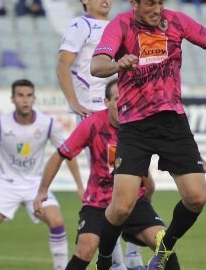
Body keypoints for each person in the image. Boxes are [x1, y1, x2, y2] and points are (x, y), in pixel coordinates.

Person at [90, 0, 206, 270]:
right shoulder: (121, 25)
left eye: (161, 2)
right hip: (135, 126)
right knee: (121, 207)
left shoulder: (176, 21)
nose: (157, 10)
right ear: (134, 4)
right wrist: (118, 63)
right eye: (150, 4)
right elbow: (96, 65)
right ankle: (104, 260)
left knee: (196, 198)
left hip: (172, 121)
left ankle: (163, 250)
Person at [34, 80, 195, 270]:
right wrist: (42, 191)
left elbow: (171, 148)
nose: (122, 103)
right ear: (106, 102)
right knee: (85, 250)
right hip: (98, 202)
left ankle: (133, 246)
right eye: (117, 98)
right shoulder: (92, 124)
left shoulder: (140, 122)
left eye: (126, 97)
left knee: (164, 245)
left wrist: (197, 164)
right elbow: (61, 154)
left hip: (133, 201)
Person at [57, 0, 146, 270]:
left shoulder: (116, 26)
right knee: (110, 190)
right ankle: (120, 261)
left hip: (121, 114)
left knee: (140, 183)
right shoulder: (80, 25)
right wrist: (73, 102)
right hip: (95, 115)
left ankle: (129, 254)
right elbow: (64, 64)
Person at [0, 79, 84, 270]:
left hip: (36, 186)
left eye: (29, 96)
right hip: (6, 184)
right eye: (20, 95)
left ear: (34, 98)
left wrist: (79, 185)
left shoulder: (47, 124)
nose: (25, 100)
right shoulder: (1, 123)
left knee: (57, 221)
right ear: (13, 99)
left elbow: (67, 153)